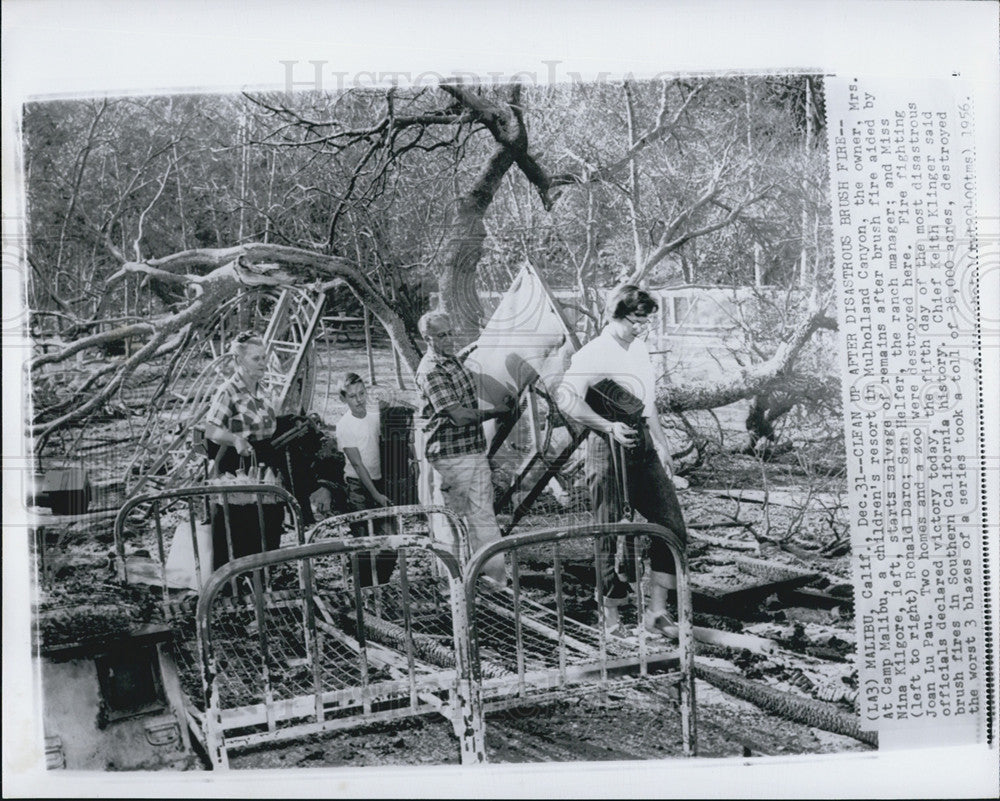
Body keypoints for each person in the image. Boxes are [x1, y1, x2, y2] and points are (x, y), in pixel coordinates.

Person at [557, 284, 688, 637]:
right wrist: (607, 426)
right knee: (609, 532)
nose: (640, 328)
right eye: (634, 321)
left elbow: (648, 405)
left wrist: (662, 445)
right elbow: (566, 399)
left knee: (671, 527)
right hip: (606, 447)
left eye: (645, 322)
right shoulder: (594, 352)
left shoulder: (640, 349)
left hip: (641, 445)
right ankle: (611, 617)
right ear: (614, 316)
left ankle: (656, 613)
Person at [415, 311, 513, 585]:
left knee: (484, 518)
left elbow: (476, 382)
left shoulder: (453, 361)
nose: (449, 340)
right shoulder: (431, 371)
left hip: (473, 452)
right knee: (453, 524)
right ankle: (454, 587)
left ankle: (495, 582)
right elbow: (458, 415)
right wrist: (497, 412)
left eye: (451, 333)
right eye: (442, 336)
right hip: (451, 459)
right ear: (427, 339)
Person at [202, 332, 285, 569]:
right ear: (240, 361)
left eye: (264, 357)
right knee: (237, 533)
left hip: (264, 467)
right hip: (235, 467)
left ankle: (263, 583)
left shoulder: (264, 392)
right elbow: (210, 430)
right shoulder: (228, 391)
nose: (263, 363)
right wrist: (235, 439)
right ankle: (232, 588)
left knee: (266, 529)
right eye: (256, 359)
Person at [336, 372, 396, 586]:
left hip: (381, 481)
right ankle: (362, 592)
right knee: (363, 543)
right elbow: (358, 465)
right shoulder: (345, 425)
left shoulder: (374, 415)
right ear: (343, 399)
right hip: (358, 486)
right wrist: (376, 495)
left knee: (391, 540)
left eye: (362, 393)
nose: (360, 400)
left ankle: (380, 585)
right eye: (353, 396)